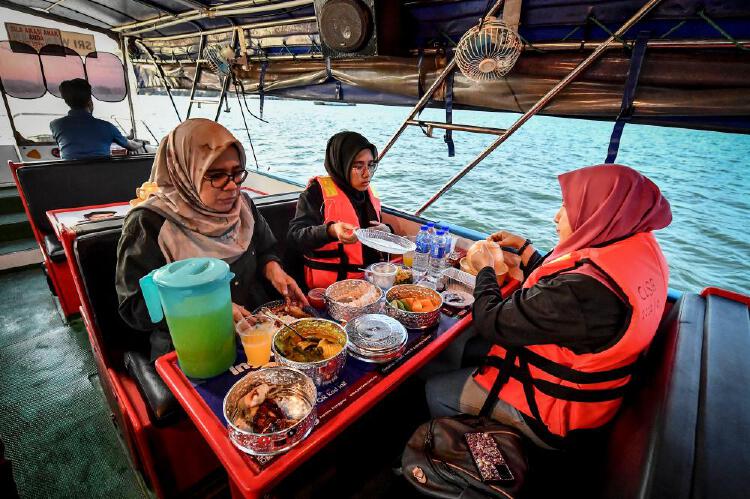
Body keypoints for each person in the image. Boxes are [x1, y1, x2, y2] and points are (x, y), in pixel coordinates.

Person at [425, 164, 672, 449]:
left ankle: (470, 457)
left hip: (555, 412)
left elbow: (491, 322)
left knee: (436, 389)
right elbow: (570, 290)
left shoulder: (582, 294)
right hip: (593, 393)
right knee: (464, 349)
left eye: (567, 205)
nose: (556, 216)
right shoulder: (637, 252)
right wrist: (528, 253)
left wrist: (485, 270)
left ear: (598, 212)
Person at [116, 119, 306, 359]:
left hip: (255, 329)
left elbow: (266, 248)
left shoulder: (244, 206)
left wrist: (273, 268)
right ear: (185, 172)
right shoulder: (149, 224)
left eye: (237, 173)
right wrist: (209, 310)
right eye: (216, 175)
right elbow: (136, 308)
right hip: (192, 346)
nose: (231, 187)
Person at [287, 131, 390, 290]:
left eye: (371, 165)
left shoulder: (367, 194)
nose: (367, 173)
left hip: (371, 283)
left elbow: (375, 232)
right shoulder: (315, 194)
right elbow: (295, 237)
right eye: (358, 166)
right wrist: (331, 231)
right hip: (331, 289)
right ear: (341, 164)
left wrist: (387, 231)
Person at [50, 78, 143, 160]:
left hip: (69, 177)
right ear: (89, 101)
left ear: (67, 102)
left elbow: (80, 137)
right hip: (101, 176)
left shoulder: (56, 125)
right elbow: (131, 146)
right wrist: (141, 144)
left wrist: (124, 137)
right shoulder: (107, 127)